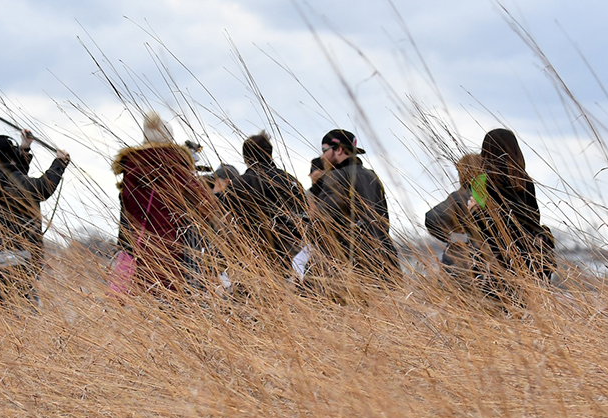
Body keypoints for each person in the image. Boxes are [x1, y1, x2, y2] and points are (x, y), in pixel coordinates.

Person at [113, 112, 215, 295]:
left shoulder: (130, 170)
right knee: (174, 312)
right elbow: (206, 210)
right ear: (170, 138)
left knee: (145, 312)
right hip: (177, 256)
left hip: (142, 254)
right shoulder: (180, 169)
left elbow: (126, 220)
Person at [0, 131, 71, 299]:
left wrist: (25, 148)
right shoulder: (9, 179)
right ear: (9, 155)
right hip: (17, 256)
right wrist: (59, 163)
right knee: (25, 311)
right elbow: (42, 188)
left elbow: (16, 174)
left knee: (4, 310)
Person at [470, 129, 555, 301]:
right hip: (526, 258)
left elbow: (481, 226)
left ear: (486, 151)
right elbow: (534, 220)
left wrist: (473, 209)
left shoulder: (480, 182)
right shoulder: (525, 181)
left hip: (495, 259)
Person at [310, 129, 400, 282]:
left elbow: (324, 216)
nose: (322, 156)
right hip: (386, 256)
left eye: (325, 150)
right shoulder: (371, 175)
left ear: (338, 149)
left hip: (355, 261)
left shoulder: (336, 177)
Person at [220, 132, 308, 278]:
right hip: (291, 261)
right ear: (270, 155)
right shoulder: (291, 181)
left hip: (251, 264)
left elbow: (225, 227)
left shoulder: (237, 186)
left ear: (245, 158)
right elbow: (304, 220)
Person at [424, 153, 483, 283]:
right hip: (487, 263)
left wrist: (451, 237)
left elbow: (431, 217)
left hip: (460, 262)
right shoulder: (492, 196)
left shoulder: (459, 197)